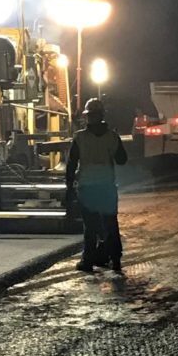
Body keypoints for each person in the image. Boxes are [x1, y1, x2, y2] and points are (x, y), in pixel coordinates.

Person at [65, 97, 128, 274]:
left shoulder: (80, 137)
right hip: (107, 187)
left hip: (87, 188)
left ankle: (88, 261)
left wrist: (69, 188)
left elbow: (71, 164)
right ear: (102, 116)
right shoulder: (112, 137)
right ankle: (115, 259)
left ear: (88, 117)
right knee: (111, 224)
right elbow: (122, 160)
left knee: (90, 227)